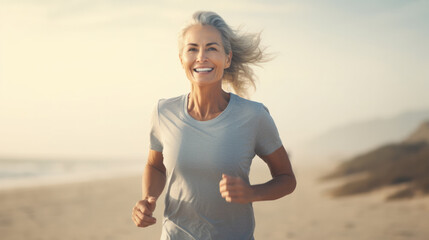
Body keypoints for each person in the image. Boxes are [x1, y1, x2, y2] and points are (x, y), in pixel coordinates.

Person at [131, 11, 296, 240]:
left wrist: (251, 193)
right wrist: (148, 198)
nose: (201, 57)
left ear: (227, 58)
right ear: (181, 59)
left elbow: (286, 179)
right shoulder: (163, 112)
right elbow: (156, 166)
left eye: (211, 48)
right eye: (192, 49)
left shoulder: (253, 115)